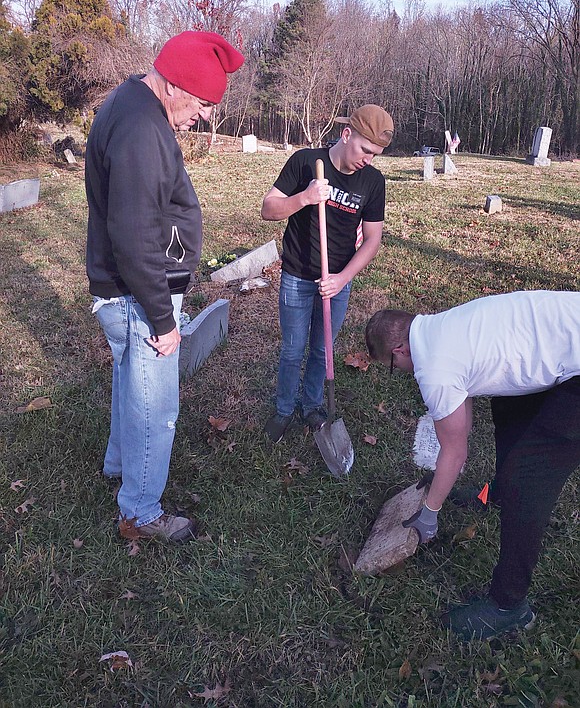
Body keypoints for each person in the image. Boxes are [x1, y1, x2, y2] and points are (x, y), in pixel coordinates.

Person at [85, 31, 244, 543]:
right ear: (174, 85)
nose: (201, 115)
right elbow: (132, 238)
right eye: (200, 102)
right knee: (156, 408)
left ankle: (118, 467)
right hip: (139, 296)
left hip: (128, 290)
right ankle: (140, 512)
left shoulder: (133, 101)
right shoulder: (139, 130)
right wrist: (163, 319)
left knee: (132, 385)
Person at [365, 290, 580, 639]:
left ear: (399, 352)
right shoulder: (442, 327)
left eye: (392, 366)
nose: (398, 372)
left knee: (529, 477)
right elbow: (459, 418)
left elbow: (455, 451)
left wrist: (429, 514)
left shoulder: (434, 368)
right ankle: (497, 494)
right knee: (510, 408)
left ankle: (509, 606)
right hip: (568, 335)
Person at [262, 105, 394, 443]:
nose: (369, 159)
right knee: (293, 350)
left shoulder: (373, 182)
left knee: (323, 350)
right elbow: (268, 209)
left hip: (337, 279)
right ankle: (283, 409)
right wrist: (305, 197)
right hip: (297, 274)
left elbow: (373, 238)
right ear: (347, 134)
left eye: (376, 154)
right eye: (366, 150)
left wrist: (343, 277)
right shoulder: (306, 162)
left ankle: (313, 406)